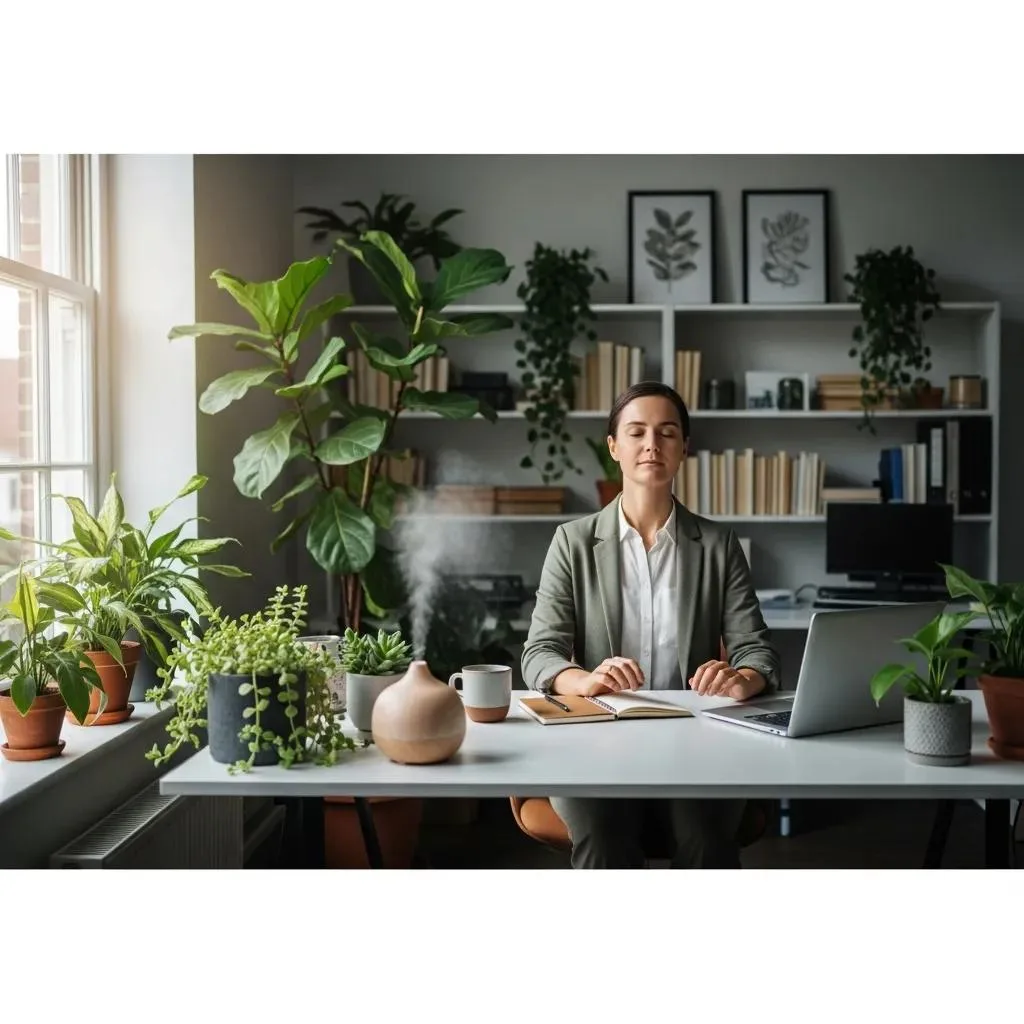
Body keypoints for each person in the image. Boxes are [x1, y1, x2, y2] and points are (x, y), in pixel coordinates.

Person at [521, 381, 780, 869]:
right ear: (614, 447)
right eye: (637, 432)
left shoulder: (719, 546)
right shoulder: (572, 543)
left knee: (706, 839)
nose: (651, 445)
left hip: (696, 737)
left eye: (666, 433)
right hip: (596, 736)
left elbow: (756, 650)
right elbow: (540, 652)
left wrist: (743, 678)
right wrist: (586, 680)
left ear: (684, 448)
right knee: (605, 838)